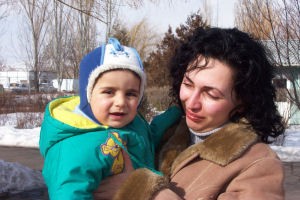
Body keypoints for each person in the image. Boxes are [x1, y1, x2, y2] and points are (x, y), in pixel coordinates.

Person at [97, 28, 286, 200]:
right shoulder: (162, 135)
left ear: (242, 102)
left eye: (211, 94)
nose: (192, 102)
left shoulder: (258, 164)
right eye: (188, 84)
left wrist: (146, 191)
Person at [39, 38, 182, 199]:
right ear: (88, 94)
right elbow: (67, 193)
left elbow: (146, 137)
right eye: (109, 92)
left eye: (131, 94)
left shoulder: (128, 123)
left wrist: (175, 113)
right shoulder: (75, 147)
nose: (121, 102)